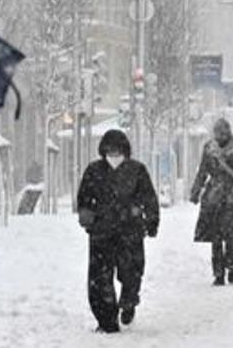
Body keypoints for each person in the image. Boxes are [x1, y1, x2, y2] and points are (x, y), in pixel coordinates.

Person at [77, 129, 160, 333]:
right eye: (110, 150)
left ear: (125, 150)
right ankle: (107, 321)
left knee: (131, 271)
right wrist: (86, 215)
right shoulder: (94, 170)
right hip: (101, 232)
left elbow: (149, 198)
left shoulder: (137, 170)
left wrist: (152, 220)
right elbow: (84, 198)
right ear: (103, 150)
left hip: (129, 231)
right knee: (99, 278)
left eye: (118, 150)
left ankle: (128, 301)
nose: (114, 154)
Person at [189, 119, 233, 285]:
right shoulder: (209, 149)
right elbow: (202, 171)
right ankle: (218, 273)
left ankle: (230, 267)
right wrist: (196, 191)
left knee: (230, 236)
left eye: (223, 133)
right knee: (216, 237)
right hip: (214, 198)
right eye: (217, 133)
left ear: (229, 132)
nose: (220, 136)